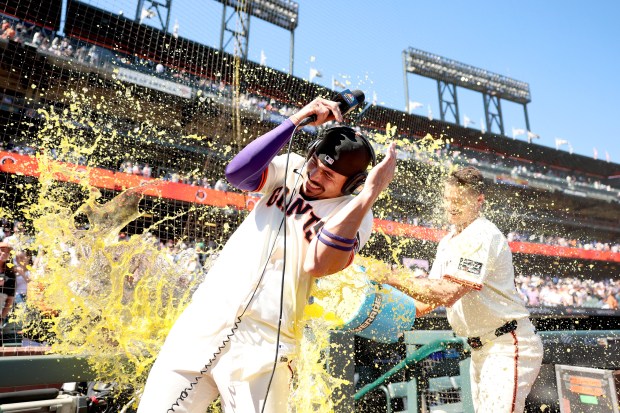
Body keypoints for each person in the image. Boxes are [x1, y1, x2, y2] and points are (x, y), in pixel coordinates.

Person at [138, 97, 397, 413]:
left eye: (329, 176)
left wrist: (368, 195)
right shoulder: (292, 166)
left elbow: (318, 263)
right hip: (204, 318)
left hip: (265, 343)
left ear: (353, 184)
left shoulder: (356, 213)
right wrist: (295, 121)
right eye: (315, 162)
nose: (314, 175)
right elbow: (237, 173)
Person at [377, 166, 543, 413]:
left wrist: (392, 277)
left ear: (478, 201)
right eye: (447, 199)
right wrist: (378, 303)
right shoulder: (447, 240)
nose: (451, 206)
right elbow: (426, 302)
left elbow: (448, 293)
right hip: (481, 348)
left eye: (458, 201)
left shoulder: (482, 233)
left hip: (506, 345)